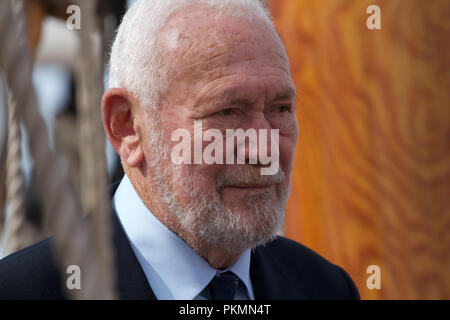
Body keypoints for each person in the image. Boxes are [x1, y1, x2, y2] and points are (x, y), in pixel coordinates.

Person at [0, 0, 360, 300]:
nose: (263, 149)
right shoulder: (20, 291)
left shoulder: (326, 288)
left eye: (280, 109)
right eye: (227, 111)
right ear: (127, 126)